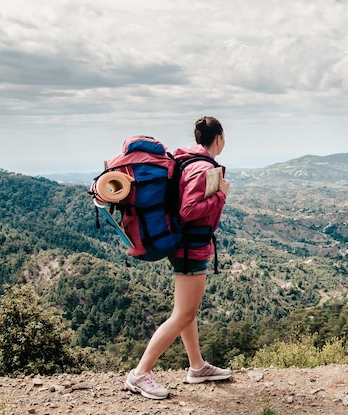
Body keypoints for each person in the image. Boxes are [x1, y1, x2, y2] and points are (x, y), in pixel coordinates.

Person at [124, 116, 232, 400]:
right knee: (183, 313)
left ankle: (196, 367)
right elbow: (188, 211)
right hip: (190, 248)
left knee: (187, 312)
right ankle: (139, 373)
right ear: (218, 137)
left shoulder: (190, 161)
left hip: (186, 246)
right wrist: (221, 195)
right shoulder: (201, 167)